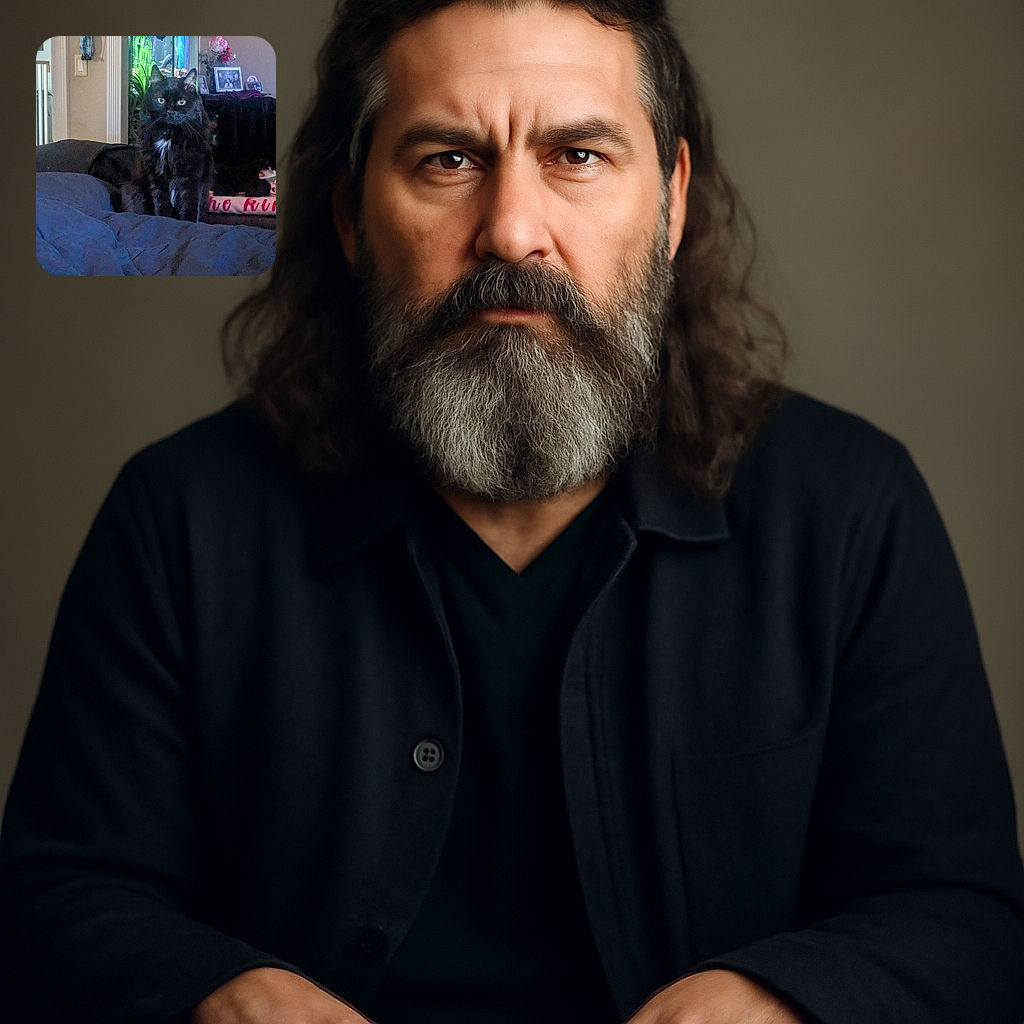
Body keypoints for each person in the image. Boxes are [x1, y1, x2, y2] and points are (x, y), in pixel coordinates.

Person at [2, 1, 1023, 1022]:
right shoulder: (179, 518)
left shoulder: (848, 509)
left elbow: (962, 915)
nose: (512, 232)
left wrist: (781, 998)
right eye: (447, 160)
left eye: (576, 154)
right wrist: (215, 993)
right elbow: (51, 904)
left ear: (669, 202)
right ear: (353, 213)